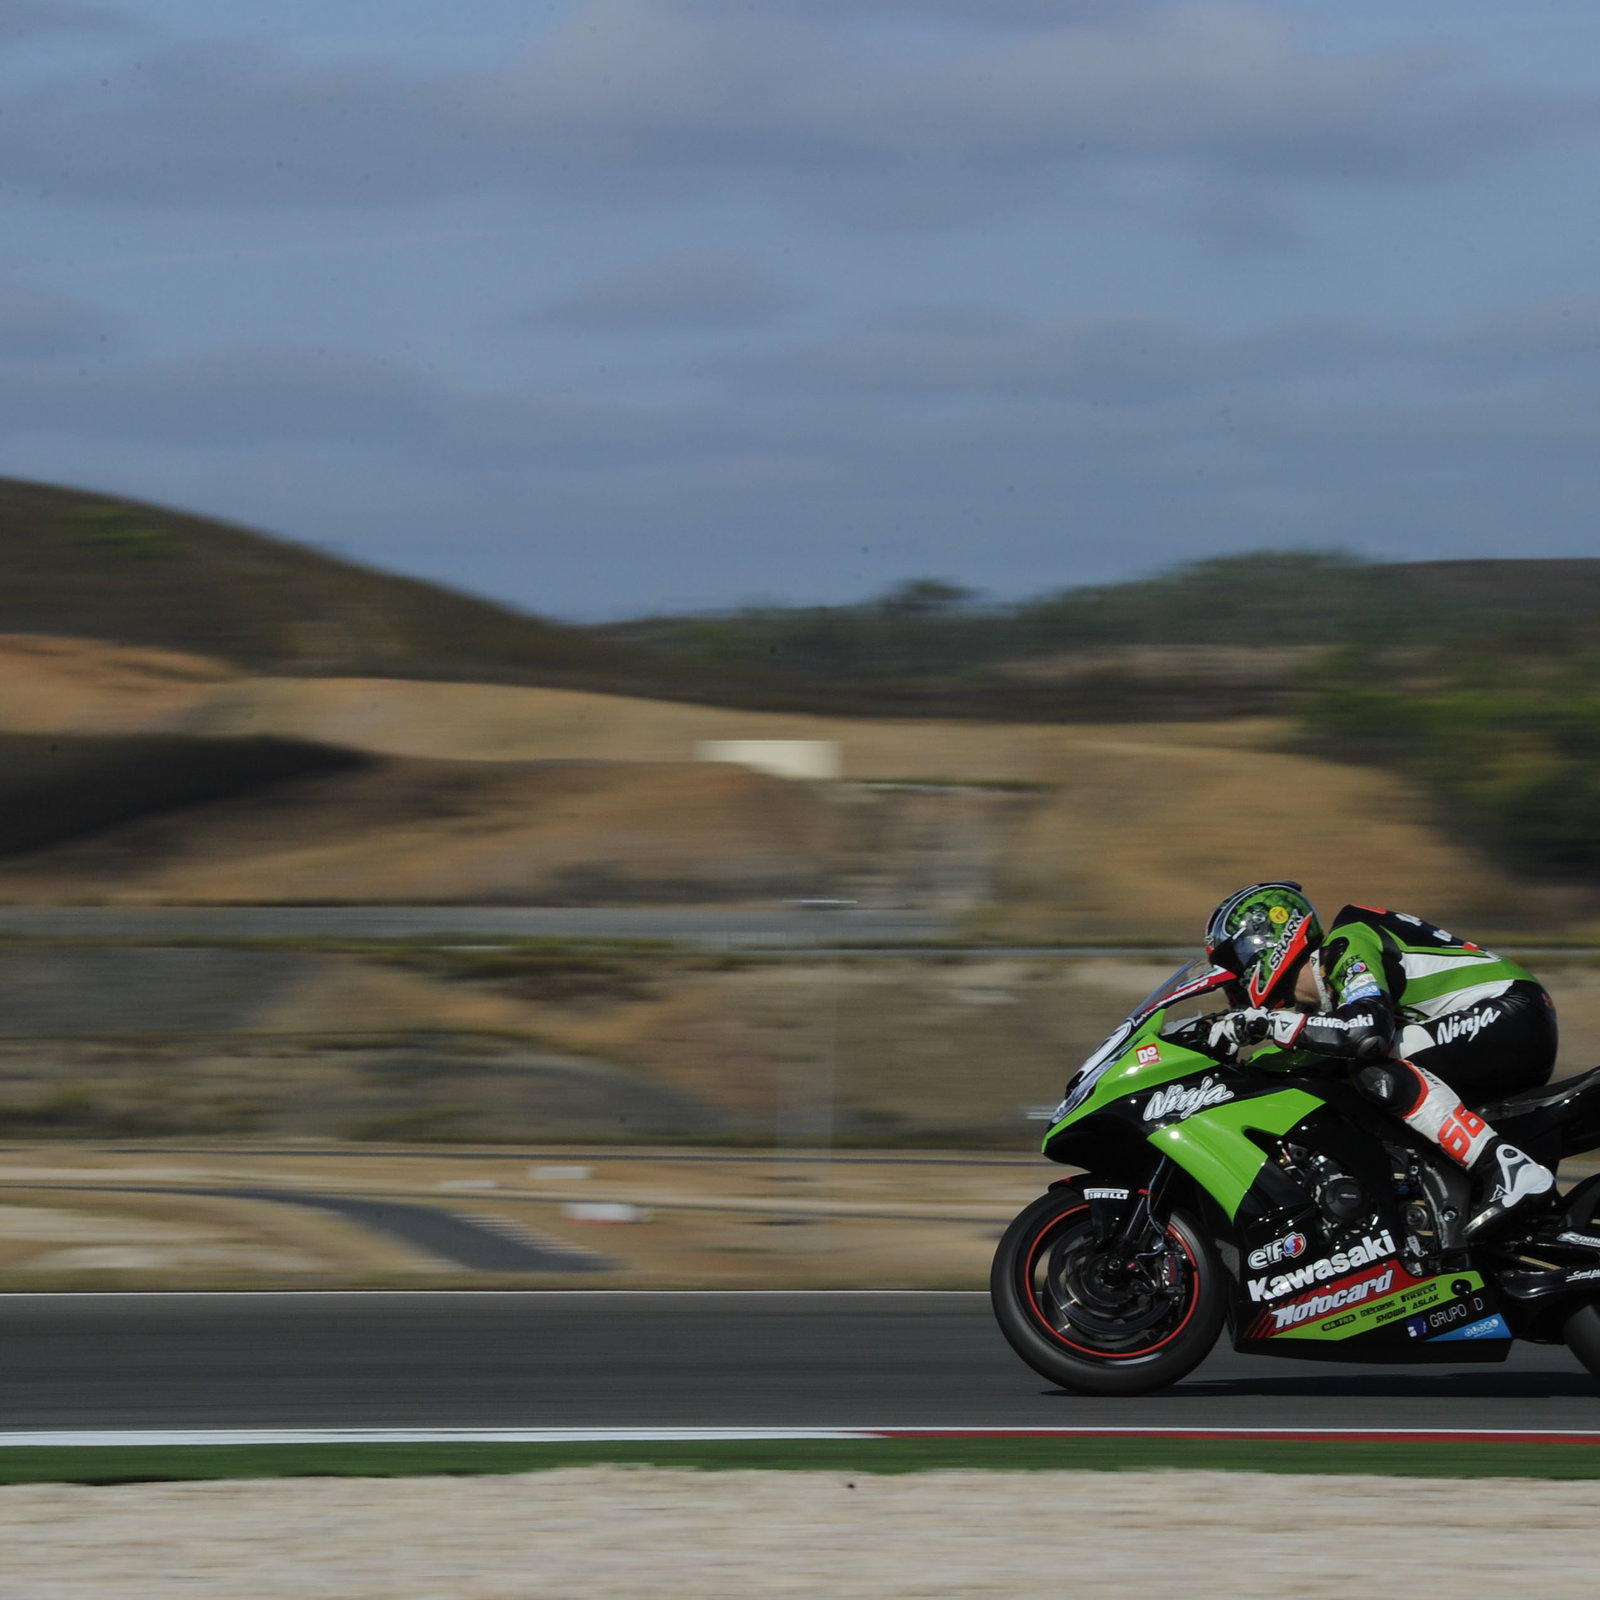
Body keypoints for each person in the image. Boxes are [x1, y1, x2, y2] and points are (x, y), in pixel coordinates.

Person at [1202, 881, 1559, 1241]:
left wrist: (1266, 1022)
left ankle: (1507, 1168)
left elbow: (1365, 1032)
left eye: (1233, 966)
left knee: (1372, 1068)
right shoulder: (1324, 999)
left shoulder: (1346, 942)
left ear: (1267, 943)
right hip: (1504, 1021)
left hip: (1509, 1009)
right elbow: (1308, 1048)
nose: (1231, 985)